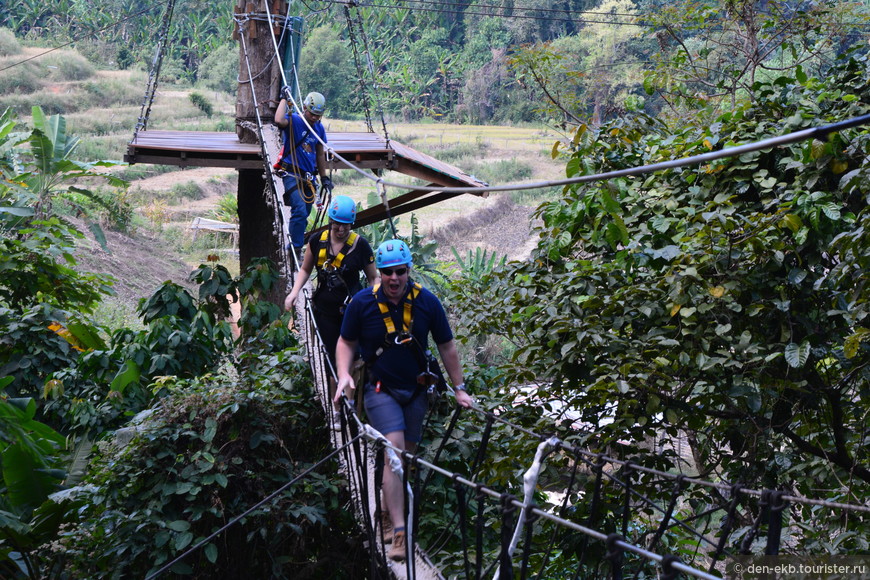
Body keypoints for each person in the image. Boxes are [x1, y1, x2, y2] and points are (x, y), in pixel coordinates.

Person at [334, 239, 473, 562]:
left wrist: (459, 388)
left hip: (417, 391)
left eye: (399, 272)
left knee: (403, 461)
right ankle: (399, 532)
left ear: (408, 271)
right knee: (395, 451)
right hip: (379, 389)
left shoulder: (427, 303)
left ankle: (385, 511)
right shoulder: (361, 303)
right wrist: (343, 374)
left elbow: (446, 346)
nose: (394, 279)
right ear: (379, 273)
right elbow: (345, 341)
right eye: (387, 273)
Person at [284, 195, 377, 376]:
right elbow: (305, 269)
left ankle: (350, 398)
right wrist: (294, 293)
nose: (341, 229)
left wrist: (377, 299)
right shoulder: (317, 241)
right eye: (337, 224)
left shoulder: (361, 246)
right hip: (325, 311)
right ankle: (336, 399)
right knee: (331, 358)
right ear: (330, 221)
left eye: (346, 225)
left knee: (353, 356)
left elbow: (373, 277)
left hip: (352, 311)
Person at [274, 89, 333, 264]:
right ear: (304, 108)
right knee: (299, 209)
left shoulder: (319, 129)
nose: (315, 118)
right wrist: (284, 99)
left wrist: (324, 178)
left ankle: (296, 243)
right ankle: (295, 249)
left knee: (306, 212)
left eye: (318, 115)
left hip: (309, 177)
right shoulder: (294, 121)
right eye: (312, 113)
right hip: (291, 173)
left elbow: (320, 154)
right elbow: (278, 120)